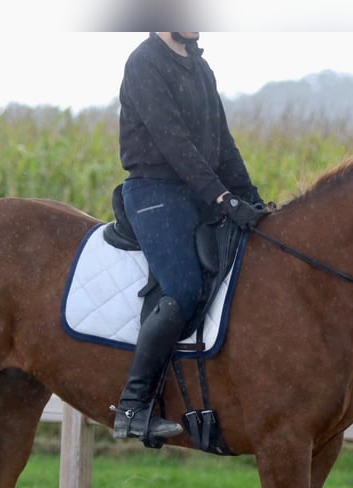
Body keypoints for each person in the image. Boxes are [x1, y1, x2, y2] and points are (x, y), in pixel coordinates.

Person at [111, 32, 267, 442]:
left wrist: (250, 199)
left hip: (196, 192)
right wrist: (220, 195)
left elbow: (224, 144)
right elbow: (173, 142)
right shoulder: (144, 62)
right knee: (181, 290)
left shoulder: (200, 67)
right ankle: (132, 406)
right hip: (154, 191)